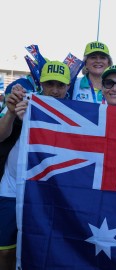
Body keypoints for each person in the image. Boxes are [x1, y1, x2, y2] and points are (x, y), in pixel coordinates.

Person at [0, 60, 71, 270]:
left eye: (60, 85)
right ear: (41, 84)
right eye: (50, 84)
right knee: (5, 251)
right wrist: (12, 113)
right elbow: (1, 136)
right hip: (12, 185)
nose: (55, 91)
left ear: (68, 87)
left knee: (41, 246)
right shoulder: (27, 102)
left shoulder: (75, 112)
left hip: (45, 190)